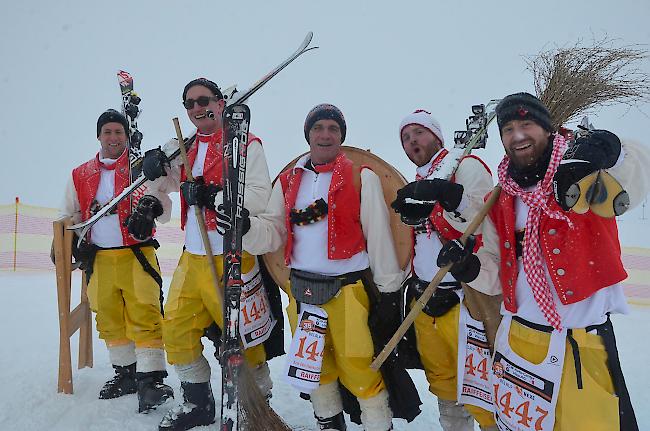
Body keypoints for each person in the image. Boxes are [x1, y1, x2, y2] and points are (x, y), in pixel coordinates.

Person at [424, 92, 649, 431]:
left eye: (527, 124)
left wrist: (610, 150)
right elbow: (496, 273)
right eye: (508, 128)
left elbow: (635, 172)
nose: (517, 135)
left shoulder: (581, 176)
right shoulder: (501, 200)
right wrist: (469, 267)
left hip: (579, 343)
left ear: (547, 129)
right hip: (519, 340)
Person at [236, 104, 420, 431]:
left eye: (332, 129)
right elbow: (274, 231)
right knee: (315, 369)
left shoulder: (361, 177)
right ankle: (328, 424)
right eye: (318, 127)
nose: (325, 134)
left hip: (348, 290)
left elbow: (379, 235)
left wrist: (391, 294)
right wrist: (246, 228)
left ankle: (378, 425)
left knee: (361, 368)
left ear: (341, 136)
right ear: (308, 134)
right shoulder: (288, 181)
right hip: (302, 293)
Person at [129, 78, 278, 431]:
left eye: (203, 101)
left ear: (220, 102)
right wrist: (152, 165)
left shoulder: (245, 144)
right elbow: (160, 184)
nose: (197, 108)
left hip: (231, 253)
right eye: (190, 104)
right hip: (192, 254)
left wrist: (212, 196)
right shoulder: (186, 146)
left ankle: (256, 407)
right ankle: (198, 403)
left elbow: (259, 196)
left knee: (243, 336)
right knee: (177, 328)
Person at [59, 109, 173, 413]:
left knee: (145, 312)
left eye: (118, 132)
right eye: (107, 132)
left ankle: (150, 380)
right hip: (100, 260)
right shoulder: (80, 174)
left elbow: (165, 206)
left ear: (126, 136)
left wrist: (151, 206)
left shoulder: (140, 170)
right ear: (99, 136)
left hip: (138, 256)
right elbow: (70, 214)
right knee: (107, 316)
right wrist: (67, 243)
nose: (113, 137)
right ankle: (125, 373)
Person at [391, 109, 497, 431]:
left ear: (436, 136)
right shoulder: (418, 181)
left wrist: (449, 198)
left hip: (466, 299)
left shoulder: (464, 165)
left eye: (418, 133)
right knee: (445, 385)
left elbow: (486, 216)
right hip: (424, 300)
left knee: (481, 385)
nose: (412, 142)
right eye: (406, 139)